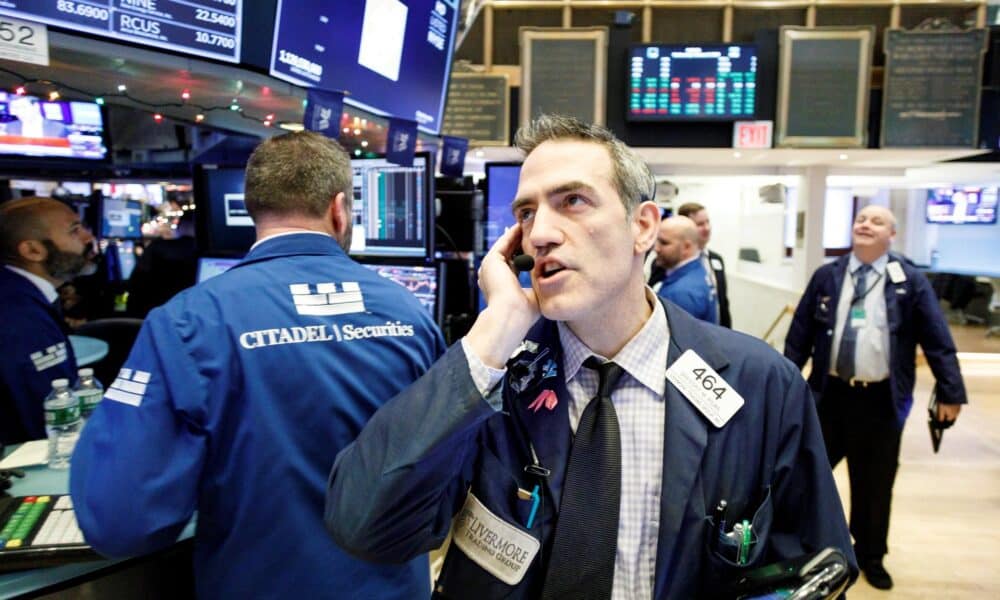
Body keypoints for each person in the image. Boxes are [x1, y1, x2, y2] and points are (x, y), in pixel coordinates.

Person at [326, 115, 856, 599]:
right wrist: (494, 331)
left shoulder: (759, 384)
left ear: (643, 227)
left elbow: (815, 563)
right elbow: (366, 526)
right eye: (527, 214)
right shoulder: (496, 380)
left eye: (573, 201)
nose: (541, 234)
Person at [70, 131, 446, 598]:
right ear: (339, 208)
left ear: (253, 209)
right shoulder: (409, 312)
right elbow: (442, 483)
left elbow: (120, 521)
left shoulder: (186, 322)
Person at [784, 204, 966, 590]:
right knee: (805, 475)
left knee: (875, 485)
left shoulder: (909, 280)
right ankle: (801, 548)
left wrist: (951, 391)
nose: (865, 224)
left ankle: (870, 555)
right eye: (861, 219)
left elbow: (937, 338)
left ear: (891, 235)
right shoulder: (827, 276)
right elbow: (798, 335)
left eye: (877, 221)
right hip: (829, 397)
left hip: (881, 402)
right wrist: (782, 383)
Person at [0, 197, 96, 445]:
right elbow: (46, 421)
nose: (87, 238)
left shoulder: (16, 293)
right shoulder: (21, 316)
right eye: (74, 231)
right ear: (33, 251)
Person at [126, 209, 198, 317]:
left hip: (146, 318)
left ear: (179, 226)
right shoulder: (206, 254)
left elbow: (134, 283)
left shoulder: (156, 247)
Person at [652, 215, 718, 323]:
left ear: (686, 247)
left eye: (664, 243)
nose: (656, 248)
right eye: (657, 241)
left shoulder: (680, 294)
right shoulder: (698, 271)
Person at [677, 202, 731, 328]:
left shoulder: (716, 260)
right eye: (700, 224)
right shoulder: (670, 262)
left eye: (707, 222)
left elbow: (723, 303)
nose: (706, 228)